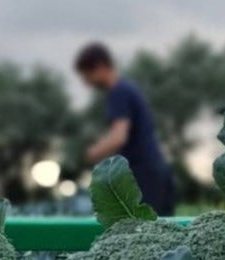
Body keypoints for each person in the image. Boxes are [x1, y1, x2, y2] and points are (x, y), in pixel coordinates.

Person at [74, 42, 175, 216]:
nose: (86, 83)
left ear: (100, 67)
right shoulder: (129, 89)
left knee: (143, 235)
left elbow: (118, 137)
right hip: (156, 172)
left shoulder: (119, 92)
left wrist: (89, 155)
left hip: (144, 175)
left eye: (87, 76)